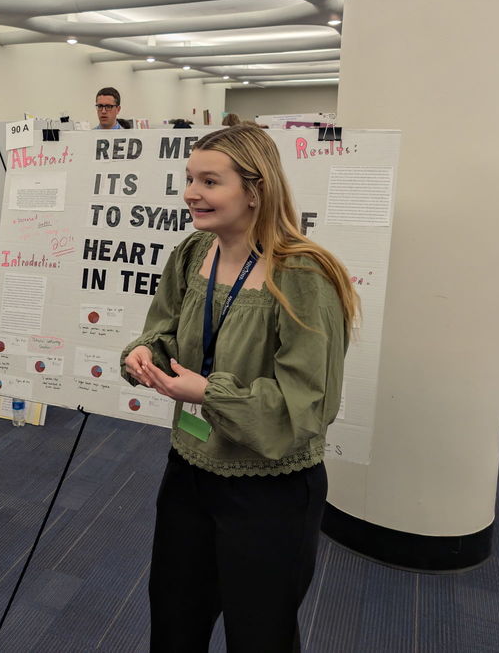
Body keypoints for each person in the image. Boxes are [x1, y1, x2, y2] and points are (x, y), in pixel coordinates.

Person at [121, 124, 357, 652]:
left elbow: (308, 406)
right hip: (188, 471)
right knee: (175, 622)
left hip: (269, 490)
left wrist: (209, 393)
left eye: (210, 180)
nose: (191, 193)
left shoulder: (304, 275)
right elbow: (162, 328)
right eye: (189, 178)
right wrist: (144, 354)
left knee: (260, 635)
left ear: (255, 190)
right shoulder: (192, 251)